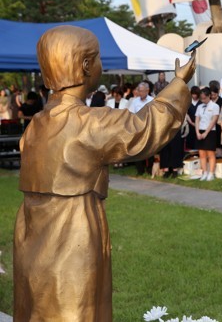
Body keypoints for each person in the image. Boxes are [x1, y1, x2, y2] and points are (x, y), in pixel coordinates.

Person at [14, 25, 196, 321]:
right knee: (75, 309)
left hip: (31, 235)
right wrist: (178, 83)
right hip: (73, 230)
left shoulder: (36, 124)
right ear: (86, 66)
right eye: (97, 58)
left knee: (37, 309)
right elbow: (145, 130)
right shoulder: (90, 123)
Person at [128, 82, 155, 175]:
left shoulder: (152, 100)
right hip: (138, 128)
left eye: (142, 91)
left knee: (150, 149)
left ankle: (149, 169)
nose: (140, 93)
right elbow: (131, 114)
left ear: (147, 90)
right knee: (138, 149)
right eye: (139, 91)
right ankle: (140, 170)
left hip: (149, 127)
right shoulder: (135, 101)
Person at [195, 87, 220, 181]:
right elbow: (197, 119)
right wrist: (197, 132)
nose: (203, 100)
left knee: (210, 153)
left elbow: (214, 120)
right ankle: (204, 172)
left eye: (204, 98)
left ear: (209, 96)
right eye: (201, 98)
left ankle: (211, 173)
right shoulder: (199, 106)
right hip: (200, 131)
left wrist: (206, 132)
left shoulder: (215, 106)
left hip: (210, 131)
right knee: (201, 153)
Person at [186, 86, 201, 150]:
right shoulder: (188, 102)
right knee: (190, 141)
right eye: (193, 94)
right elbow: (186, 113)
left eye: (196, 94)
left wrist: (197, 123)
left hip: (200, 124)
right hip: (190, 123)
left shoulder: (201, 102)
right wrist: (191, 123)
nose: (194, 96)